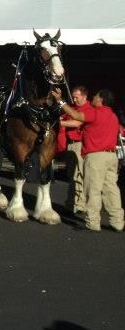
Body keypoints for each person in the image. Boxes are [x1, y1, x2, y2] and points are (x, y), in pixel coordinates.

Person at [54, 88, 123, 232]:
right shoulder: (113, 116)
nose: (94, 97)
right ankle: (117, 222)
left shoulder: (95, 112)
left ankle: (92, 222)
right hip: (111, 156)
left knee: (93, 189)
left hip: (96, 156)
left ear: (101, 99)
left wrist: (60, 101)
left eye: (96, 95)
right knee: (111, 189)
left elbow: (75, 115)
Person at [58, 85, 91, 216]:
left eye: (77, 97)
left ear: (84, 97)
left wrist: (59, 122)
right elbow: (64, 116)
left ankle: (78, 205)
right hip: (70, 144)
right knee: (72, 175)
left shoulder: (88, 109)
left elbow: (77, 123)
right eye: (73, 97)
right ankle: (72, 204)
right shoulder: (73, 108)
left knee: (78, 175)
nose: (74, 99)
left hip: (79, 145)